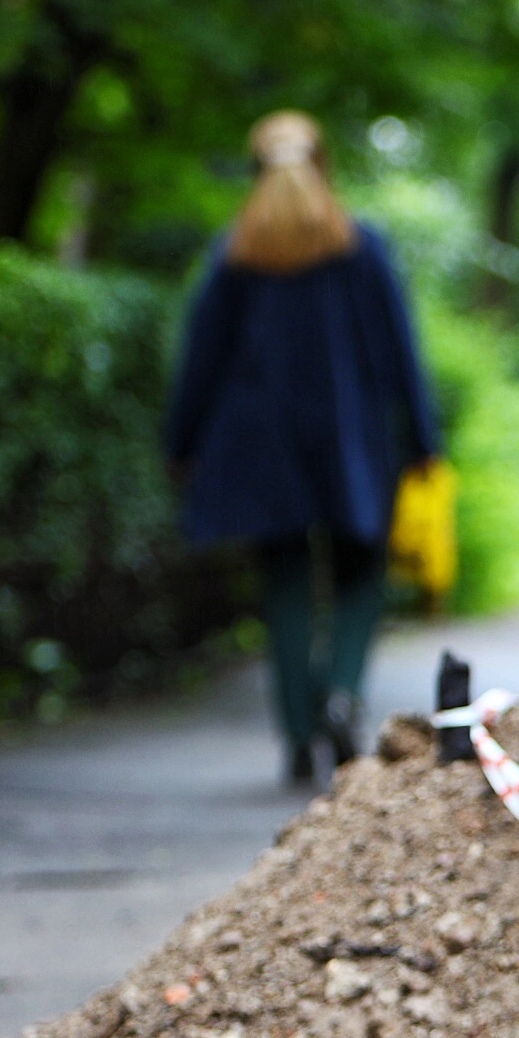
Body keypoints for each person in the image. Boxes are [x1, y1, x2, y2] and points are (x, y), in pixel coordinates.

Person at [166, 111, 438, 785]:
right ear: (324, 165)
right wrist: (423, 437)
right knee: (361, 574)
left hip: (260, 449)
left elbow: (200, 360)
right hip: (350, 441)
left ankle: (296, 735)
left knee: (285, 584)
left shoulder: (235, 254)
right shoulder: (360, 245)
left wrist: (181, 442)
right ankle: (341, 692)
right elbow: (401, 349)